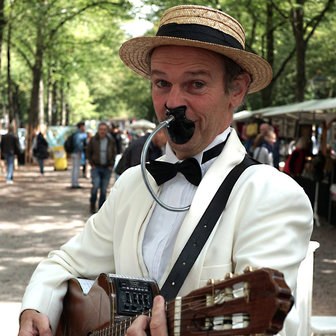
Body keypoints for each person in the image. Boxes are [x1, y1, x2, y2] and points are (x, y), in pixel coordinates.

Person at [18, 5, 313, 336]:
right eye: (161, 83)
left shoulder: (274, 195)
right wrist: (36, 307)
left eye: (195, 84)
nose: (173, 102)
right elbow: (64, 263)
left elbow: (270, 326)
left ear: (237, 90)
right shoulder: (133, 184)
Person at [86, 122, 117, 213]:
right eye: (101, 129)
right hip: (96, 167)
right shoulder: (93, 140)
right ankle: (92, 204)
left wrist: (111, 165)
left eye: (104, 129)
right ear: (98, 130)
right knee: (95, 186)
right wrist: (92, 164)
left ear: (107, 130)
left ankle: (101, 209)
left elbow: (114, 152)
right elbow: (88, 152)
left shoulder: (111, 140)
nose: (102, 131)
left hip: (107, 168)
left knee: (104, 189)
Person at [70, 121, 86, 189]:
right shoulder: (78, 134)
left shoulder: (76, 133)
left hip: (74, 152)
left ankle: (74, 183)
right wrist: (80, 150)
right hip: (77, 153)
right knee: (76, 168)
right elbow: (78, 143)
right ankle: (75, 184)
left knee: (74, 168)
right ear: (81, 126)